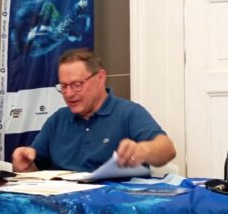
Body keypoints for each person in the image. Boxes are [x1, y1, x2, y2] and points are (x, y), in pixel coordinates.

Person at [12, 48, 176, 172]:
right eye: (63, 86)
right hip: (63, 203)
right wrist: (24, 166)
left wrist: (143, 150)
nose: (69, 94)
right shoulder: (57, 120)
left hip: (116, 203)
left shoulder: (129, 113)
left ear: (100, 78)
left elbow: (167, 150)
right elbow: (35, 171)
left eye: (77, 85)